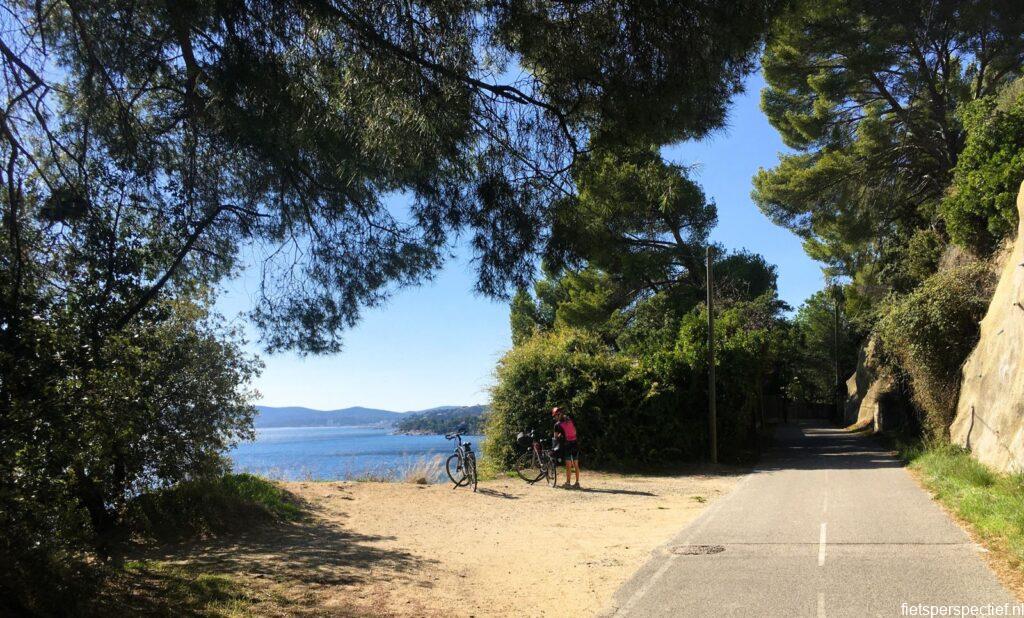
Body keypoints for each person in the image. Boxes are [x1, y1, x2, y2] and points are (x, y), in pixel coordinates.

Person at [552, 406, 580, 489]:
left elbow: (555, 437)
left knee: (568, 465)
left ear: (558, 415)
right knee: (576, 464)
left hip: (567, 445)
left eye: (555, 416)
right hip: (575, 443)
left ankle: (568, 483)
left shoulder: (557, 425)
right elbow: (574, 431)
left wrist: (560, 435)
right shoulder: (569, 419)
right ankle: (577, 483)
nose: (554, 418)